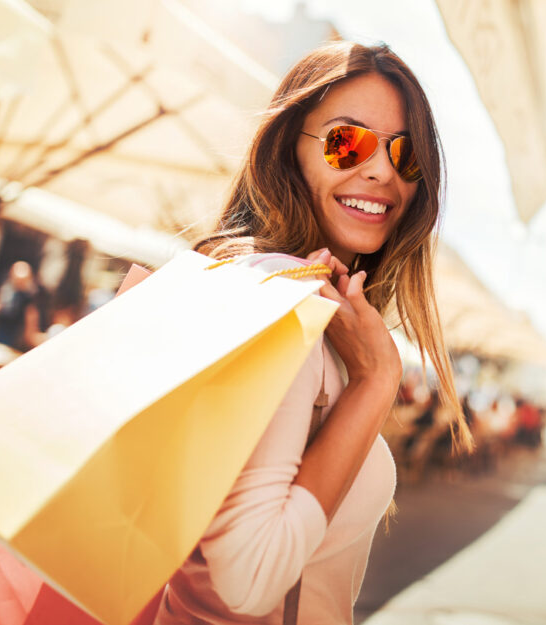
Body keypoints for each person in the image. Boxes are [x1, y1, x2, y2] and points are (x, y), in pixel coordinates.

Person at [155, 41, 473, 625]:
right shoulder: (277, 299)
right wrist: (377, 381)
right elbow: (247, 582)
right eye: (346, 141)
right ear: (288, 150)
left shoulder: (299, 305)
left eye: (405, 156)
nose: (380, 170)